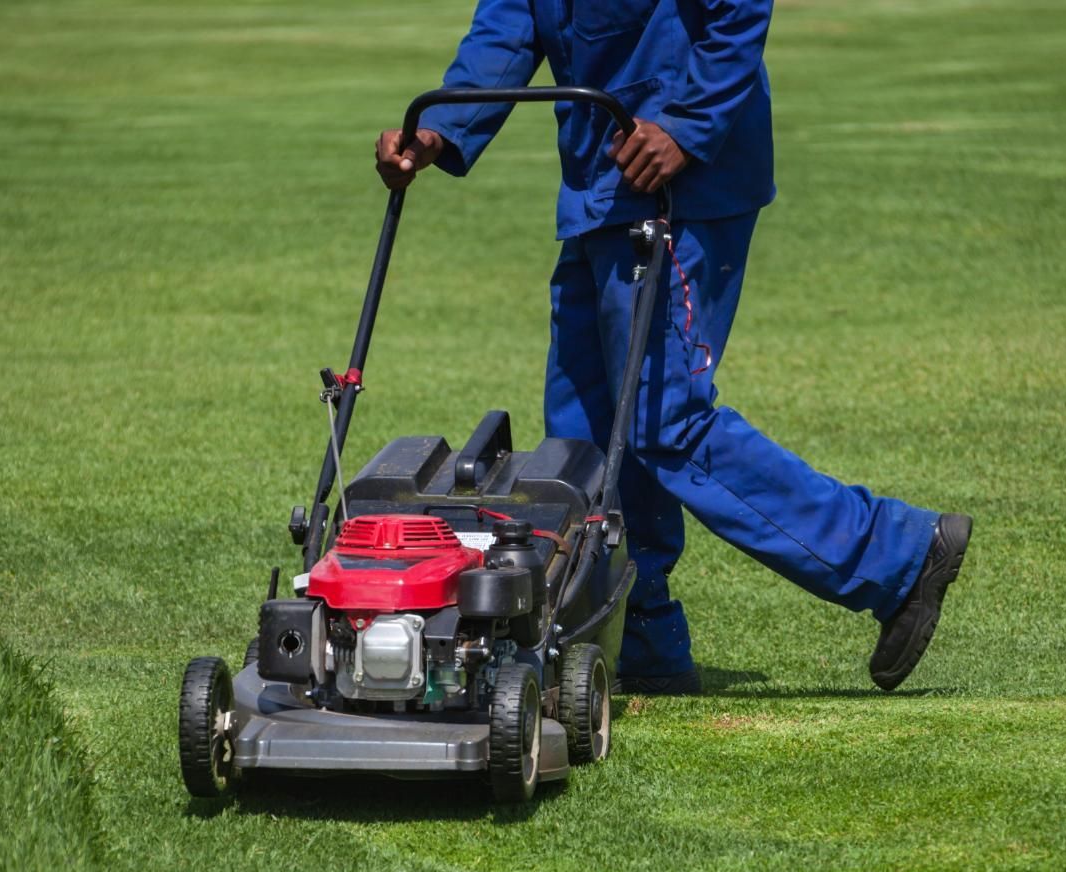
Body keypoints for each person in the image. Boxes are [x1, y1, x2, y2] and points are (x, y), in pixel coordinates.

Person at [375, 0, 971, 694]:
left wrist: (685, 126)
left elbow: (739, 11)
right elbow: (510, 20)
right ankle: (636, 636)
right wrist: (439, 130)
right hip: (601, 180)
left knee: (665, 418)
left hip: (685, 180)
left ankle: (896, 556)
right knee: (584, 439)